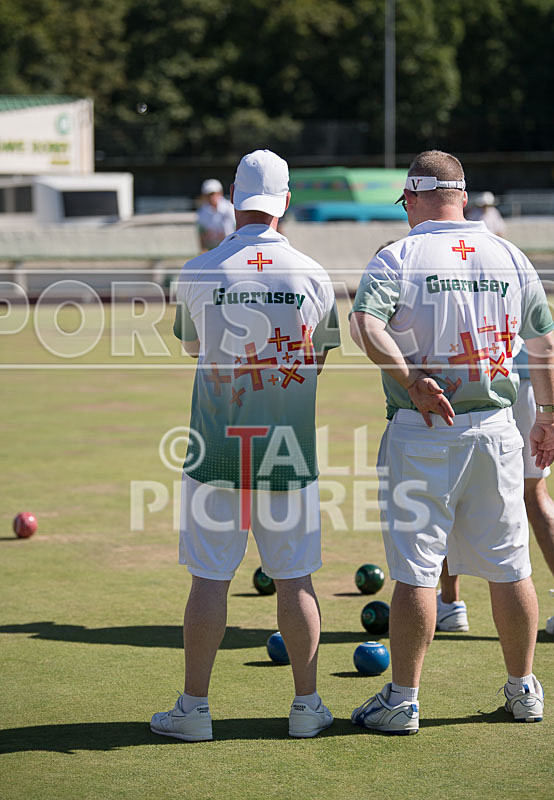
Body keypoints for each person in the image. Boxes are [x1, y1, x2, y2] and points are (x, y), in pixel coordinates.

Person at [348, 150, 554, 735]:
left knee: (416, 571)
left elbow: (364, 324)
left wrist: (411, 379)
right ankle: (524, 691)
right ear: (463, 195)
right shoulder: (509, 253)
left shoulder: (400, 254)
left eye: (408, 202)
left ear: (415, 198)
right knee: (510, 564)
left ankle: (402, 700)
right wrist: (547, 413)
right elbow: (543, 339)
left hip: (423, 431)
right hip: (498, 431)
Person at [150, 149, 340, 742]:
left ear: (235, 198)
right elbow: (318, 358)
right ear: (286, 202)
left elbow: (190, 348)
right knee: (297, 581)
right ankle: (307, 707)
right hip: (289, 450)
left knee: (208, 581)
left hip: (216, 449)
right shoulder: (313, 273)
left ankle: (194, 710)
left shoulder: (199, 268)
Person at [437, 337, 554, 635]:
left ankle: (450, 604)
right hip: (525, 379)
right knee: (535, 494)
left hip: (463, 381)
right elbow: (541, 335)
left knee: (443, 496)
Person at [197, 178, 236, 251]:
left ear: (220, 193)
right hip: (213, 249)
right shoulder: (202, 212)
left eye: (214, 194)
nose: (212, 197)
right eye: (209, 195)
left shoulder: (230, 209)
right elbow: (201, 234)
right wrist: (203, 250)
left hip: (230, 247)